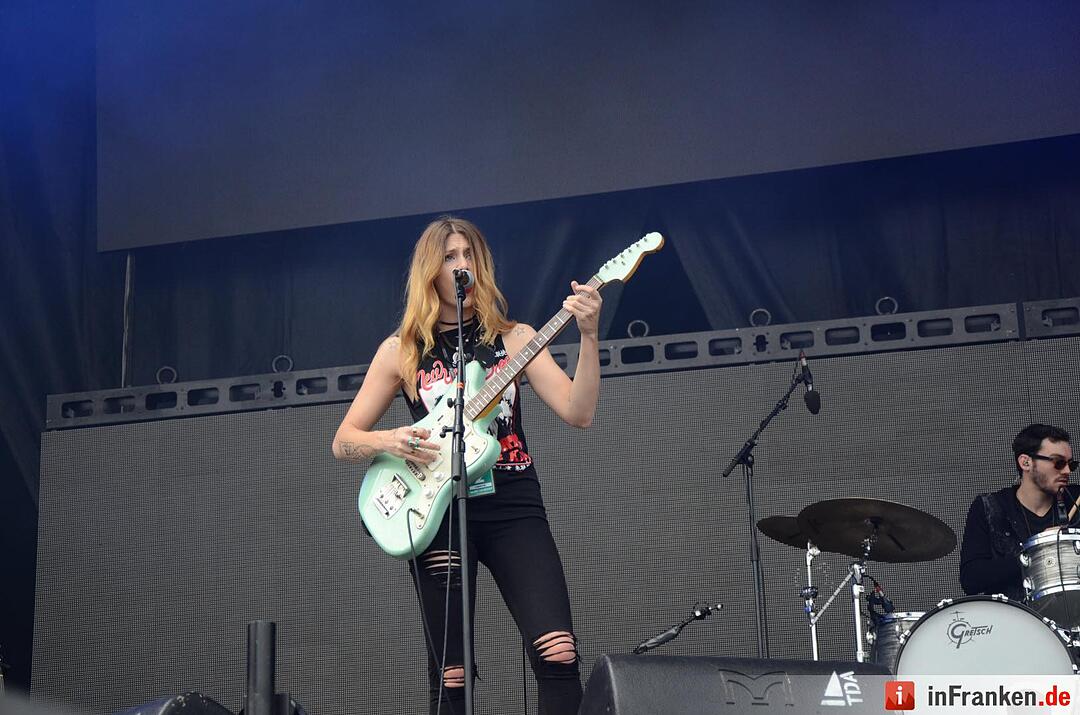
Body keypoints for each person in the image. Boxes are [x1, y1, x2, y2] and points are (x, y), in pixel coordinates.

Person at [332, 216, 601, 714]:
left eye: (468, 255)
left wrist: (587, 334)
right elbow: (343, 441)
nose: (461, 265)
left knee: (559, 651)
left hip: (513, 504)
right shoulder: (402, 350)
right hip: (437, 513)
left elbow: (578, 411)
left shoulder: (515, 338)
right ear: (430, 271)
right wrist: (390, 439)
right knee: (452, 675)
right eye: (450, 257)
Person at [959, 423, 1079, 600]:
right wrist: (1036, 554)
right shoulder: (990, 507)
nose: (1067, 471)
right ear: (1026, 462)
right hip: (1014, 619)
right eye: (1058, 463)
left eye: (1071, 464)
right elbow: (971, 579)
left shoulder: (1075, 501)